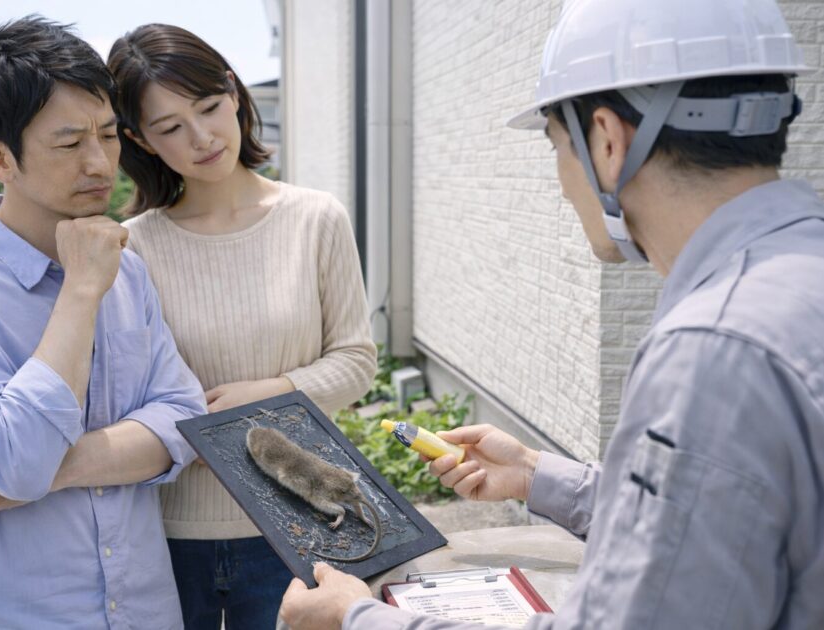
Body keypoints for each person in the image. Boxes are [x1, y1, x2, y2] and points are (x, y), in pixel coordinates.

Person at [280, 0, 824, 628]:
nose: (564, 182)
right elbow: (715, 521)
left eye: (559, 146)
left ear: (608, 141)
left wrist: (358, 618)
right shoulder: (789, 280)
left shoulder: (713, 349)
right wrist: (536, 473)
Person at [0, 17, 208, 629]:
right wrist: (80, 292)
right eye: (68, 144)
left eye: (108, 136)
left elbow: (185, 423)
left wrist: (55, 471)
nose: (101, 163)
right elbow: (16, 457)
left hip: (142, 611)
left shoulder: (126, 272)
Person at [106, 24, 377, 630]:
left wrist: (269, 393)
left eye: (208, 107)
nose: (201, 137)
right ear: (139, 140)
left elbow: (356, 361)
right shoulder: (133, 248)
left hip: (297, 523)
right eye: (170, 127)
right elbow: (121, 395)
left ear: (233, 92)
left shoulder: (315, 218)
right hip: (166, 532)